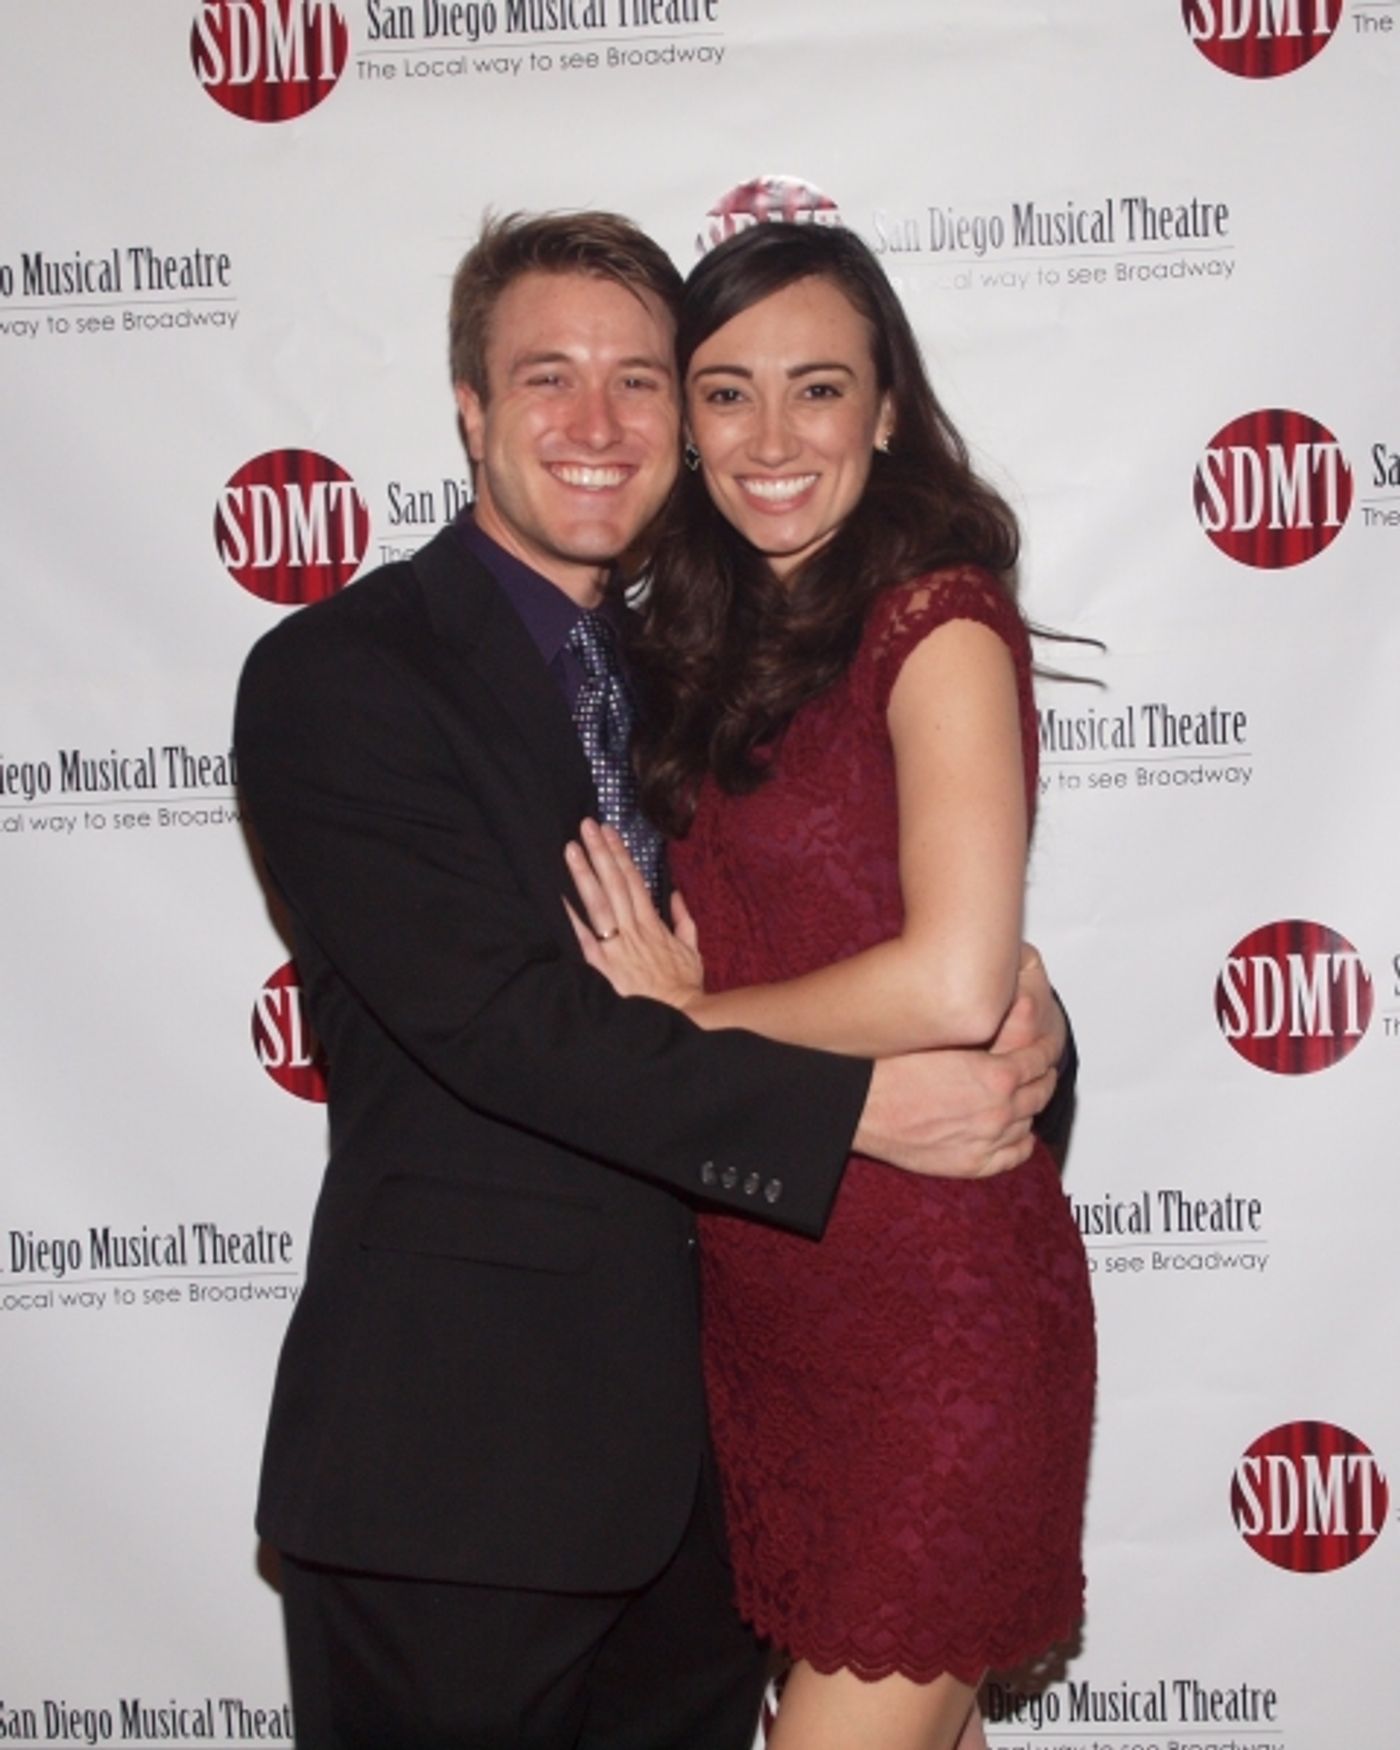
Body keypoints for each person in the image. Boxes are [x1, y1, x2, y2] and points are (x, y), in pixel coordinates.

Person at [234, 210, 1072, 1750]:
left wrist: (1024, 1028)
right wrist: (857, 1109)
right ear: (470, 411)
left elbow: (844, 951)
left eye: (640, 380)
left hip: (708, 1484)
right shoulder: (342, 675)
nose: (600, 421)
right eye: (547, 376)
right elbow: (513, 1029)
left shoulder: (699, 663)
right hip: (458, 1485)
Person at [564, 220, 1095, 1750]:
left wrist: (687, 1022)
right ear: (683, 420)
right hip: (774, 1325)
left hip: (939, 1318)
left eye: (819, 388)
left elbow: (955, 975)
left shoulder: (937, 621)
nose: (772, 438)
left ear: (886, 408)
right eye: (727, 393)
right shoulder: (697, 645)